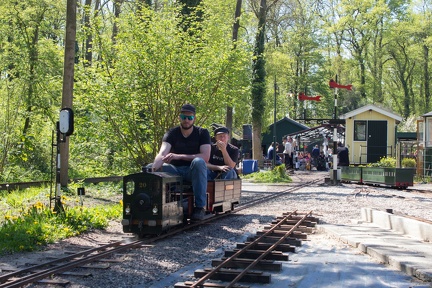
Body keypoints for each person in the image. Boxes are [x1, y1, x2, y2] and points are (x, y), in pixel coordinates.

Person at [151, 104, 211, 220]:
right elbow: (162, 153)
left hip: (193, 171)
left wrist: (178, 156)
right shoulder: (172, 133)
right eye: (184, 117)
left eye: (190, 118)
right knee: (150, 167)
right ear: (179, 117)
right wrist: (153, 169)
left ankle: (199, 207)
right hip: (175, 171)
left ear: (194, 118)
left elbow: (205, 157)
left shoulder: (202, 133)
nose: (186, 120)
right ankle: (154, 204)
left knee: (199, 161)